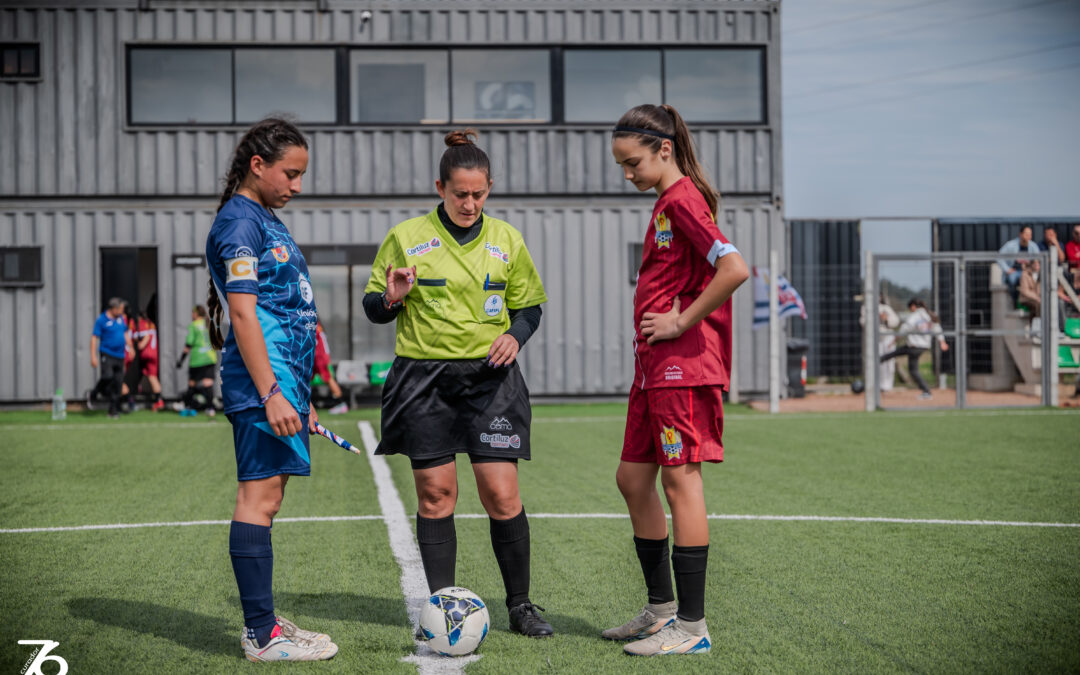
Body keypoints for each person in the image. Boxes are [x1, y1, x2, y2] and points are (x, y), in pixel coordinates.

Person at [363, 129, 552, 639]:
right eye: (459, 193)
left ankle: (521, 605)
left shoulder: (507, 239)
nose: (470, 203)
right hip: (423, 379)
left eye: (479, 193)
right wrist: (395, 297)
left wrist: (515, 335)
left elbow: (529, 306)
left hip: (491, 380)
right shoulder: (405, 236)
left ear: (489, 187)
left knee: (501, 495)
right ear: (440, 188)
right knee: (436, 495)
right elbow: (373, 307)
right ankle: (441, 608)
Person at [605, 104, 749, 656]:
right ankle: (660, 611)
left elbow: (734, 268)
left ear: (663, 149)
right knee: (632, 479)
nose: (628, 174)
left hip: (681, 367)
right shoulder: (667, 202)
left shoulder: (684, 198)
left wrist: (681, 320)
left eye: (633, 162)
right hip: (653, 372)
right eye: (621, 165)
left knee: (679, 482)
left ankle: (691, 628)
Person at [204, 117, 337, 662]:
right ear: (257, 166)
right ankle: (261, 635)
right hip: (265, 384)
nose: (297, 186)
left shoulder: (263, 218)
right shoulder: (239, 221)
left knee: (270, 497)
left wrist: (296, 396)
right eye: (291, 173)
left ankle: (265, 623)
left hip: (283, 384)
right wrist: (271, 393)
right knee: (258, 499)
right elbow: (242, 311)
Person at [880, 298, 948, 400]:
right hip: (923, 346)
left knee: (890, 356)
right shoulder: (930, 315)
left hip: (913, 347)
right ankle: (926, 391)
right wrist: (942, 341)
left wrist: (893, 341)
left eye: (910, 308)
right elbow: (937, 329)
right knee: (913, 370)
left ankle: (927, 391)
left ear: (913, 306)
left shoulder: (914, 316)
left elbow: (904, 329)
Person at [88, 297, 135, 418]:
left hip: (120, 355)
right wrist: (93, 356)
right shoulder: (102, 320)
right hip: (107, 353)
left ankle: (112, 411)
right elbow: (94, 338)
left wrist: (131, 347)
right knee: (107, 376)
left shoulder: (120, 319)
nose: (122, 312)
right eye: (120, 309)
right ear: (114, 308)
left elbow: (125, 333)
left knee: (118, 383)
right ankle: (95, 392)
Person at [175, 305, 219, 416]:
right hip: (210, 357)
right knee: (208, 383)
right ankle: (210, 408)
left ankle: (188, 406)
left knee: (192, 384)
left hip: (197, 358)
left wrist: (181, 360)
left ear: (195, 313)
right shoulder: (209, 323)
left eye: (192, 313)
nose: (191, 315)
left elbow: (188, 344)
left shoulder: (193, 325)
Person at [860, 293, 901, 392]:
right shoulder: (865, 308)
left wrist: (886, 319)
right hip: (874, 338)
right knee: (874, 361)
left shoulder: (886, 308)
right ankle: (875, 385)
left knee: (888, 362)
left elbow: (895, 321)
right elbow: (862, 322)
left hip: (887, 338)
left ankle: (887, 386)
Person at [997, 226, 1040, 304]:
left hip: (1028, 272)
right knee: (1012, 279)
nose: (1028, 236)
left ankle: (1031, 302)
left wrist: (1036, 266)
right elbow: (999, 257)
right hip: (1015, 271)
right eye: (1026, 234)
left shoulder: (1033, 246)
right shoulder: (1011, 245)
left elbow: (1038, 261)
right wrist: (1007, 269)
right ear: (1020, 234)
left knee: (1036, 282)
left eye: (1030, 234)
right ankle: (1016, 302)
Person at [312, 322, 348, 414]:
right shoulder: (316, 325)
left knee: (327, 378)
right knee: (306, 378)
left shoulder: (313, 324)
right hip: (318, 355)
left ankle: (340, 403)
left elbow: (315, 341)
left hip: (319, 356)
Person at [133, 310, 164, 411]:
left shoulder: (142, 324)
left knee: (136, 374)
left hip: (146, 354)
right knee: (152, 377)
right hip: (154, 353)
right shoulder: (151, 324)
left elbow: (145, 338)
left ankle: (132, 397)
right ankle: (159, 401)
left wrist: (139, 345)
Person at [1066, 224, 1080, 292]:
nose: (1079, 235)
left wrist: (1077, 256)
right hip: (1073, 271)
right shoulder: (1070, 245)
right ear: (1073, 234)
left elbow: (1076, 259)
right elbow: (1071, 259)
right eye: (1077, 233)